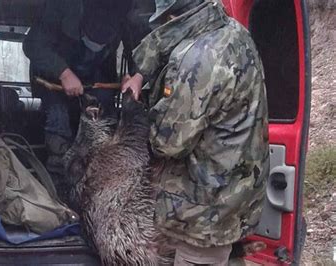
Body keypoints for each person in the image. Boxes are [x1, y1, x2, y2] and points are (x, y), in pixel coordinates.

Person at [122, 0, 270, 265]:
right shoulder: (234, 33)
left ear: (176, 15)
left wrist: (141, 116)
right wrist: (141, 75)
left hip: (205, 212)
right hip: (232, 193)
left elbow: (168, 143)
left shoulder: (197, 60)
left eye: (166, 17)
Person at [23, 0, 139, 202]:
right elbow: (32, 45)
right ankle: (56, 193)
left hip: (96, 79)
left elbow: (138, 50)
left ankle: (101, 187)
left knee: (106, 121)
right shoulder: (60, 8)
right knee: (58, 120)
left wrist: (136, 76)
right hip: (53, 80)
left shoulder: (123, 14)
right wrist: (63, 72)